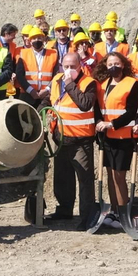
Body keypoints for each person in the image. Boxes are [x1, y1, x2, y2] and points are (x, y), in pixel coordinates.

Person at [48, 52, 98, 224]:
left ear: (80, 66)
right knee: (62, 177)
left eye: (72, 67)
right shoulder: (56, 80)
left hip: (80, 140)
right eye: (65, 66)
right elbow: (50, 101)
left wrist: (70, 84)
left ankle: (87, 216)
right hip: (61, 138)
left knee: (84, 179)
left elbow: (84, 104)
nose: (68, 70)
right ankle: (64, 209)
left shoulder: (89, 83)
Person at [95, 50, 138, 228]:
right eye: (110, 64)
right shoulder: (103, 84)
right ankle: (113, 210)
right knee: (109, 174)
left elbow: (130, 112)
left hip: (122, 136)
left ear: (123, 65)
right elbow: (98, 108)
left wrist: (112, 124)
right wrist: (99, 121)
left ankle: (124, 213)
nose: (114, 67)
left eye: (117, 64)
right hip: (106, 138)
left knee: (119, 176)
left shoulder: (132, 84)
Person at [15, 28, 58, 105]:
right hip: (27, 95)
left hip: (46, 95)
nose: (37, 40)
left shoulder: (53, 54)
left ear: (44, 39)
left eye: (39, 38)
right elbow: (19, 75)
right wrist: (30, 90)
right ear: (30, 41)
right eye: (34, 38)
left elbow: (56, 75)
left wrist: (47, 89)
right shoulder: (23, 54)